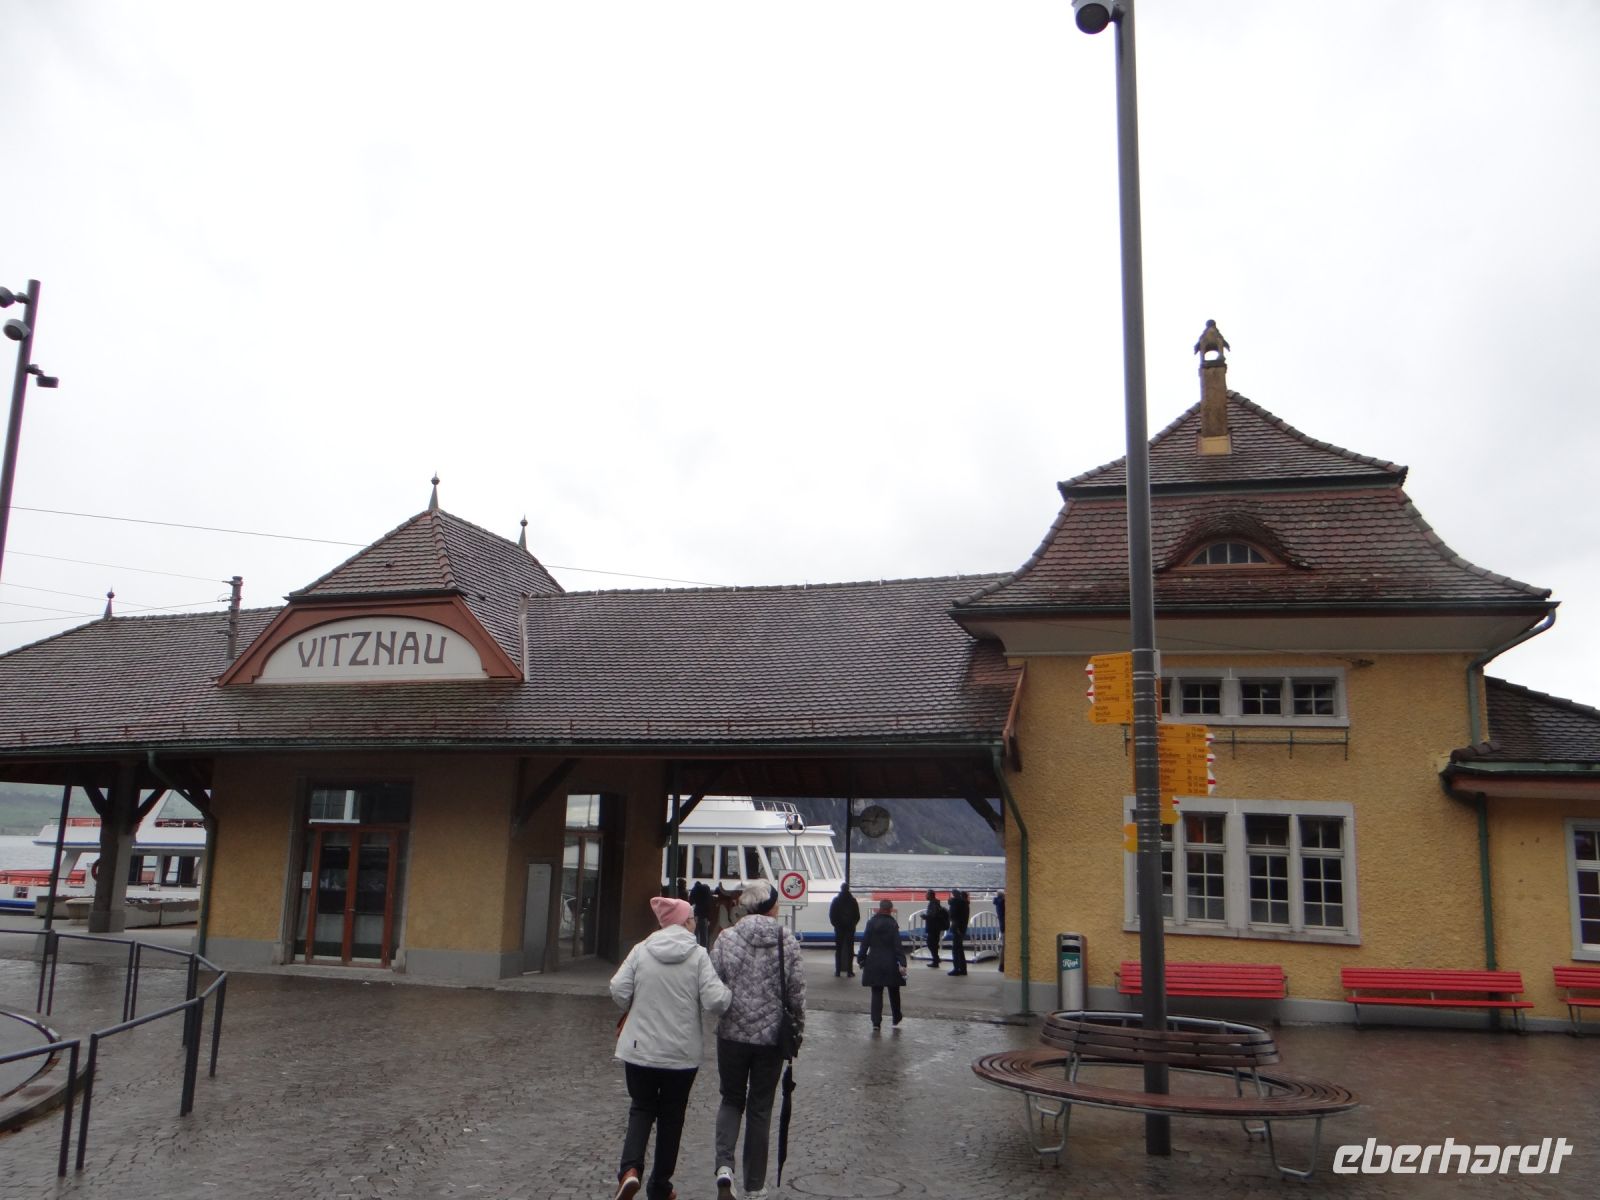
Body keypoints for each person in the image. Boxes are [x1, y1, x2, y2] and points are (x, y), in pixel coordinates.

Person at [610, 896, 732, 1200]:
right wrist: (730, 994)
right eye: (691, 918)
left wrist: (634, 1004)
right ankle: (660, 1185)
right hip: (680, 1054)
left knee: (641, 1108)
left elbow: (618, 988)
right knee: (672, 1117)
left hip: (639, 1049)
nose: (694, 922)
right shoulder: (698, 956)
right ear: (684, 922)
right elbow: (716, 1001)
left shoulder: (641, 950)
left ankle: (630, 1171)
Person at [708, 879, 805, 1200]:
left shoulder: (726, 939)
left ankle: (724, 1167)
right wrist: (797, 1032)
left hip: (732, 1035)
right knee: (760, 1108)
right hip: (770, 1038)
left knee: (731, 1098)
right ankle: (754, 1185)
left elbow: (713, 984)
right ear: (771, 907)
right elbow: (796, 994)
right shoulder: (786, 940)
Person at [857, 897, 907, 1031]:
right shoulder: (893, 924)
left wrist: (861, 958)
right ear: (890, 910)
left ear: (879, 908)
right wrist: (902, 962)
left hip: (874, 961)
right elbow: (898, 945)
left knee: (876, 991)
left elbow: (865, 942)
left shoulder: (871, 923)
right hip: (891, 962)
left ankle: (876, 1022)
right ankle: (896, 1017)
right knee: (894, 991)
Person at [828, 883, 860, 977]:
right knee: (850, 950)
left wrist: (836, 925)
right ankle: (850, 971)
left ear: (841, 889)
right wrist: (853, 924)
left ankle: (838, 971)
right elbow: (857, 916)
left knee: (838, 949)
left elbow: (832, 915)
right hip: (850, 928)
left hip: (839, 928)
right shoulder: (853, 901)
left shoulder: (836, 900)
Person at [922, 889, 949, 968]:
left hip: (933, 927)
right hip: (936, 927)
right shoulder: (936, 903)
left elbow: (933, 916)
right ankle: (936, 959)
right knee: (934, 943)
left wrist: (925, 917)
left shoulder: (933, 904)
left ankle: (936, 960)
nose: (925, 896)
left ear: (930, 895)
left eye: (926, 895)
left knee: (931, 943)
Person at [947, 887, 970, 976]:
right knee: (960, 949)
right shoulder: (965, 904)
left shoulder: (955, 903)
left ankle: (956, 969)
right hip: (962, 928)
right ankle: (963, 969)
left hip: (957, 929)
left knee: (955, 950)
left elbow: (952, 915)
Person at [689, 880, 714, 947]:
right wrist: (709, 918)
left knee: (696, 934)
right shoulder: (706, 890)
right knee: (704, 935)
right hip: (704, 915)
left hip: (696, 914)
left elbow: (690, 902)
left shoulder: (694, 890)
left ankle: (696, 948)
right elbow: (709, 904)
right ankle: (705, 949)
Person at [994, 890, 1006, 971]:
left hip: (1002, 926)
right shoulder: (1002, 903)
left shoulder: (998, 903)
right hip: (1005, 926)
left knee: (1004, 945)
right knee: (1004, 946)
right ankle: (1002, 965)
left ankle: (1002, 965)